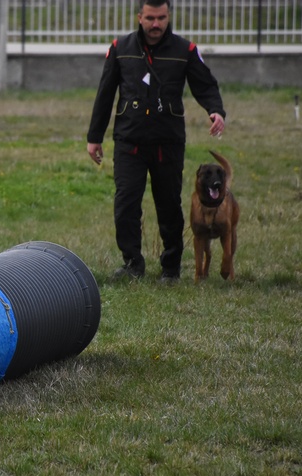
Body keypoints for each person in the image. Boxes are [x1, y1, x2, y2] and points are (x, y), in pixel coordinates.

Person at [86, 0, 226, 282]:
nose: (156, 24)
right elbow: (105, 93)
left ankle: (171, 268)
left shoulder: (184, 50)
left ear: (168, 16)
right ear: (140, 17)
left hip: (167, 142)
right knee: (126, 205)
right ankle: (132, 264)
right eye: (150, 18)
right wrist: (94, 137)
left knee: (169, 205)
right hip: (129, 141)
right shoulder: (121, 48)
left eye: (161, 18)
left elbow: (205, 84)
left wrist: (216, 110)